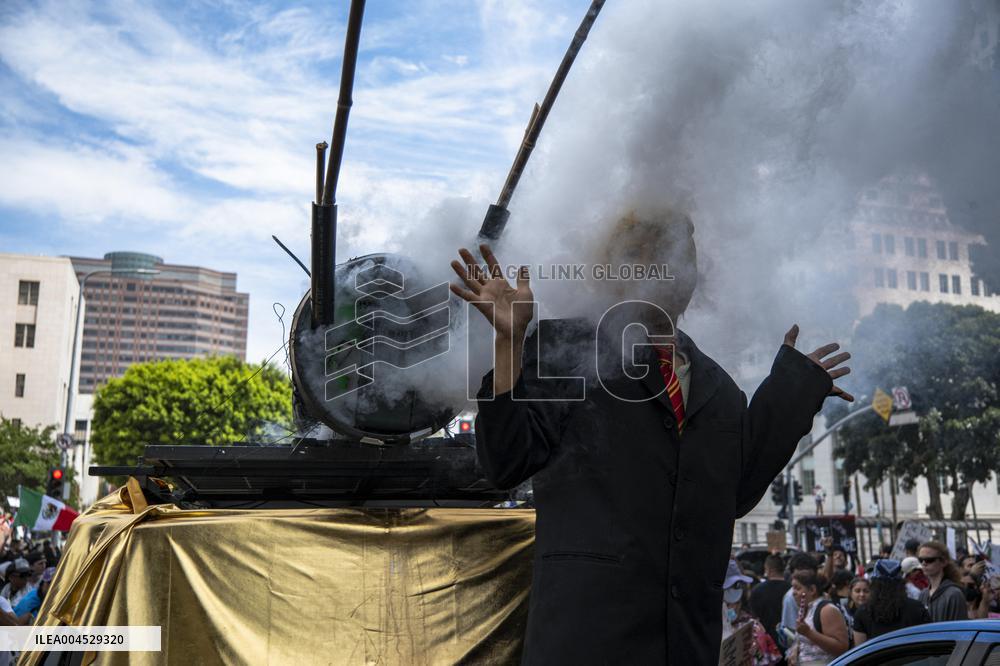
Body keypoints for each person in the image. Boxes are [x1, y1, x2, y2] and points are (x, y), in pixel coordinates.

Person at [454, 207, 853, 665]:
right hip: (585, 645)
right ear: (615, 273)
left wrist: (792, 394)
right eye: (645, 255)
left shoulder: (720, 389)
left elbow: (733, 494)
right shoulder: (568, 349)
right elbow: (506, 460)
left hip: (684, 648)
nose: (666, 269)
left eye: (681, 255)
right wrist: (509, 343)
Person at [852, 560, 930, 643]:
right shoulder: (917, 608)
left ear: (874, 585)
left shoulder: (863, 612)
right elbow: (928, 640)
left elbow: (860, 649)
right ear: (901, 584)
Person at [723, 560, 782, 665]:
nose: (732, 607)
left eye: (737, 603)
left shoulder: (753, 627)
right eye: (727, 604)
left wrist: (757, 652)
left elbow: (769, 659)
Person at [788, 571, 850, 665]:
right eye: (793, 588)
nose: (793, 593)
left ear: (812, 589)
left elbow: (841, 647)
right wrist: (795, 649)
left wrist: (808, 633)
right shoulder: (806, 609)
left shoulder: (826, 610)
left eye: (797, 588)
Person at [917, 541, 967, 622]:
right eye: (920, 560)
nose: (923, 563)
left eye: (929, 560)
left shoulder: (954, 594)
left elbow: (958, 630)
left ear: (943, 562)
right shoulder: (923, 594)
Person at [749, 554, 790, 650]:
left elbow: (754, 619)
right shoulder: (792, 589)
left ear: (768, 569)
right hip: (789, 641)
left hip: (767, 644)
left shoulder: (757, 590)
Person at [782, 553, 819, 635]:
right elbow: (791, 632)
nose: (803, 578)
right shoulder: (791, 597)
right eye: (799, 575)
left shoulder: (819, 590)